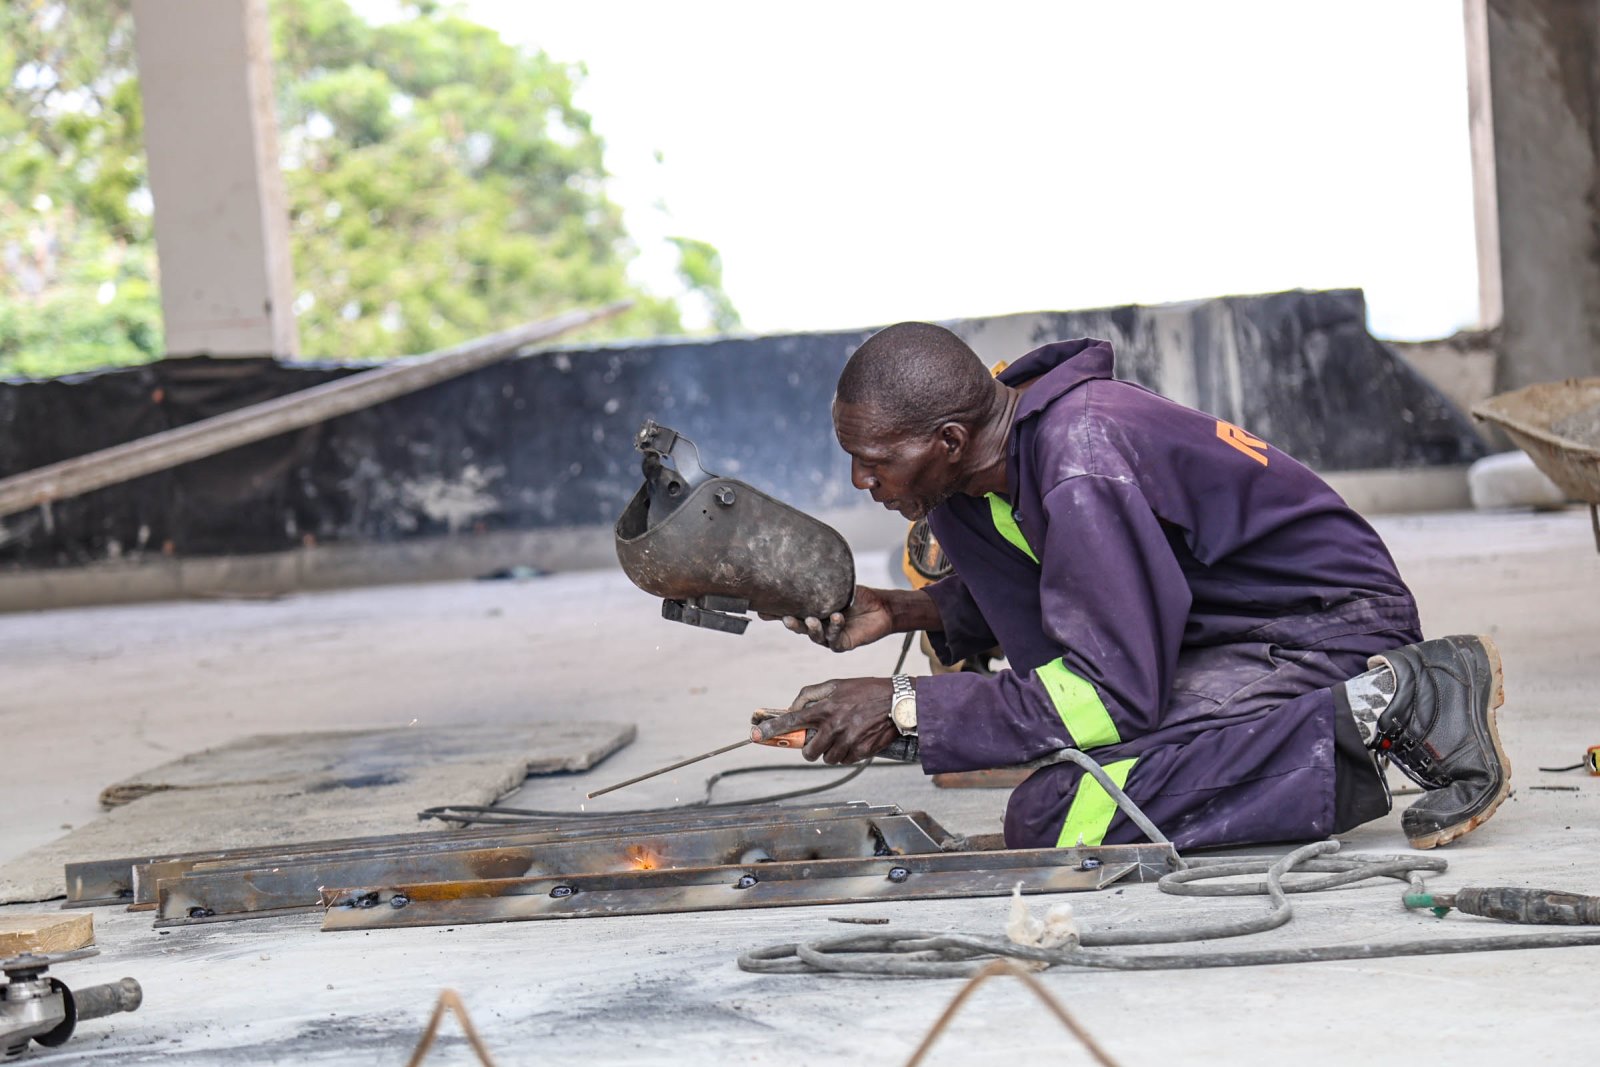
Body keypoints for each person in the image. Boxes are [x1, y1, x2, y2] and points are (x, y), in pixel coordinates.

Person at [754, 322, 1509, 851]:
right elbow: (1071, 586)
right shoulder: (979, 476)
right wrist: (907, 609)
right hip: (1226, 631)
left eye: (876, 458)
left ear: (949, 441)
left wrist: (905, 705)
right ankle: (1365, 708)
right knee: (1073, 765)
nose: (862, 479)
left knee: (1061, 813)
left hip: (1329, 627)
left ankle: (1388, 699)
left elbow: (1108, 692)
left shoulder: (1080, 456)